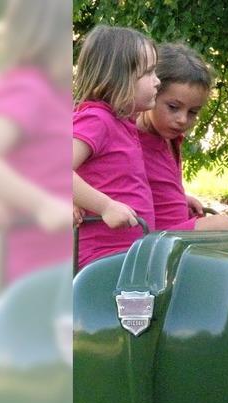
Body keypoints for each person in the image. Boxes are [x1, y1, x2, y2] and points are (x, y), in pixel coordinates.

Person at [73, 25, 159, 269]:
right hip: (101, 260)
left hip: (127, 255)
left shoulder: (121, 123)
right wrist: (105, 206)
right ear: (119, 76)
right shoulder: (97, 120)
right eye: (149, 72)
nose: (157, 81)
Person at [0, 0, 73, 285]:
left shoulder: (53, 93)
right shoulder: (28, 87)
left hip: (56, 259)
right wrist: (41, 204)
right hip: (31, 263)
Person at [136, 43, 228, 232]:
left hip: (173, 237)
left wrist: (179, 198)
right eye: (173, 107)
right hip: (152, 241)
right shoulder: (131, 139)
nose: (182, 120)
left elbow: (152, 186)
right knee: (224, 226)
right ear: (151, 93)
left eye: (193, 112)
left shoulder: (170, 139)